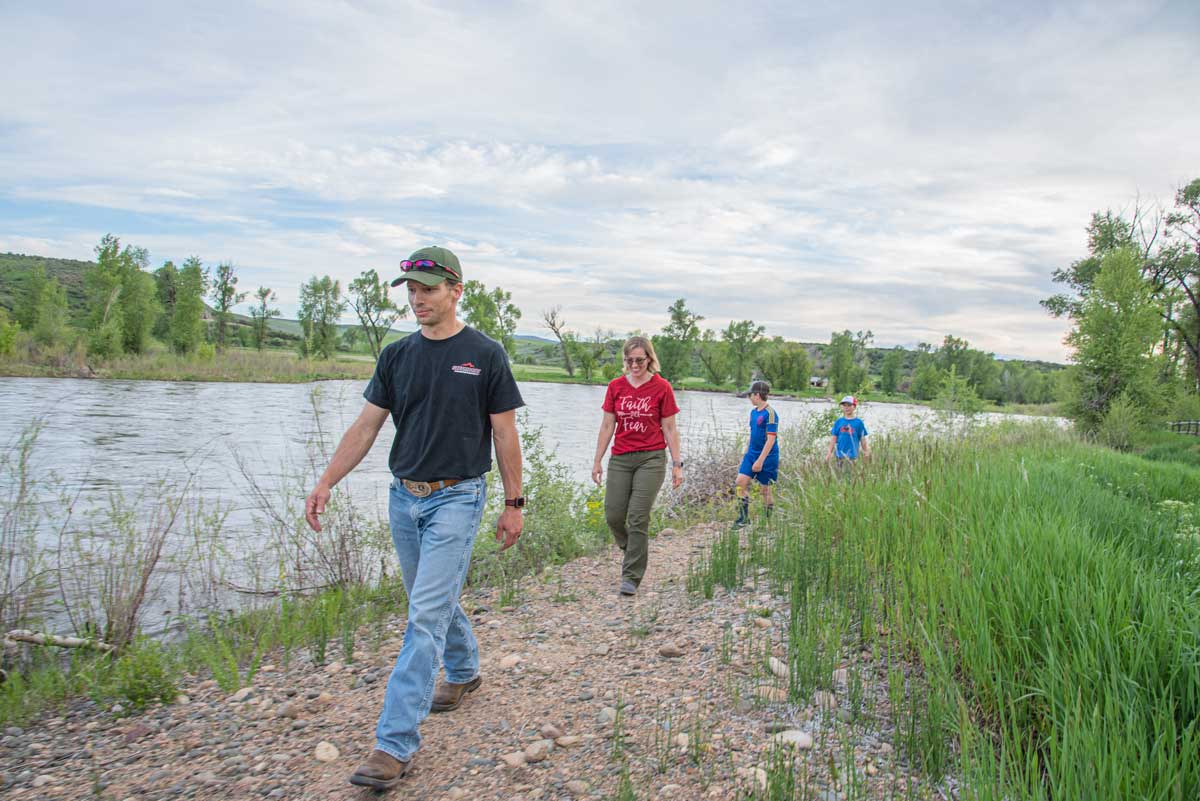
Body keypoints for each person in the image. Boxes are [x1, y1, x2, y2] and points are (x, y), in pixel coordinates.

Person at [304, 246, 526, 791]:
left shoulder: (485, 354)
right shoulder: (396, 355)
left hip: (458, 497)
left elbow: (504, 432)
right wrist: (327, 480)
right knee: (430, 600)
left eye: (428, 288)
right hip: (404, 498)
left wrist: (514, 503)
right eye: (411, 289)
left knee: (423, 615)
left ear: (456, 290)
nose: (417, 298)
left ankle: (393, 743)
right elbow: (366, 427)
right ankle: (466, 671)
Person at [591, 336, 683, 596]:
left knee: (638, 516)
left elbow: (670, 428)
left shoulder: (662, 387)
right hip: (621, 457)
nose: (634, 365)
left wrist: (677, 464)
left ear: (649, 359)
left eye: (639, 360)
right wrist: (597, 460)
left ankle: (631, 576)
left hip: (651, 458)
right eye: (629, 360)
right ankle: (633, 549)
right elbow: (608, 425)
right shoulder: (615, 386)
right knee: (614, 515)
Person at [734, 380, 779, 527]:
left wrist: (760, 461)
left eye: (750, 395)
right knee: (740, 482)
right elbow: (753, 434)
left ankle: (767, 522)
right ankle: (743, 519)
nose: (749, 398)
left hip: (767, 457)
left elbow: (771, 439)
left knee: (765, 490)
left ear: (757, 395)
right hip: (751, 454)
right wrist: (748, 453)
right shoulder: (753, 412)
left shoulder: (771, 414)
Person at [825, 394, 870, 468]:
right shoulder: (839, 421)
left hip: (853, 456)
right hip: (839, 455)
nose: (846, 408)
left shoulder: (858, 422)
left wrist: (866, 451)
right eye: (844, 405)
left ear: (854, 407)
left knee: (851, 476)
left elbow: (862, 439)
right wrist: (829, 452)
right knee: (839, 475)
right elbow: (834, 438)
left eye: (849, 405)